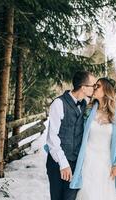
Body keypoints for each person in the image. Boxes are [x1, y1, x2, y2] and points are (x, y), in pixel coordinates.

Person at [70, 77, 116, 200]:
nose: (94, 88)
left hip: (106, 164)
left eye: (98, 86)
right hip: (87, 163)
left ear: (107, 90)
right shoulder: (87, 111)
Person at [45, 71, 97, 200]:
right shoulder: (59, 103)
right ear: (83, 87)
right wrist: (63, 164)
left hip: (75, 163)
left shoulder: (85, 105)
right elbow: (52, 138)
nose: (95, 88)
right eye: (93, 85)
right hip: (57, 162)